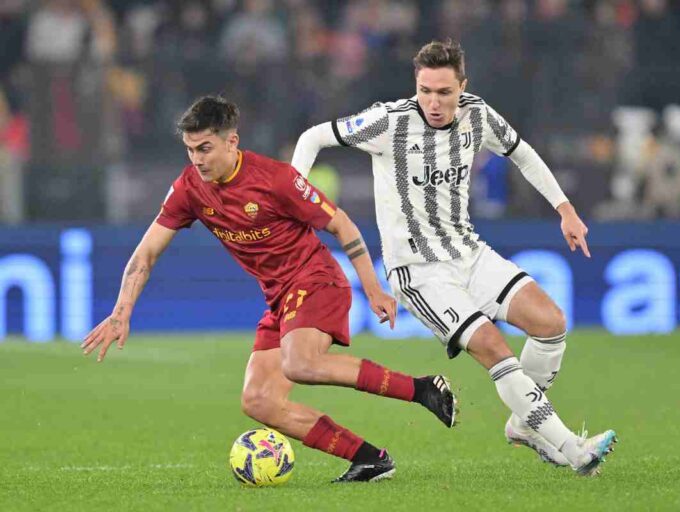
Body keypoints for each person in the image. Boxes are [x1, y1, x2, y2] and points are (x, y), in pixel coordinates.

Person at [81, 96, 457, 483]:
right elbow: (146, 252)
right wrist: (121, 310)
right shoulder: (190, 188)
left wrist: (374, 289)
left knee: (300, 363)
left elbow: (341, 224)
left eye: (205, 148)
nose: (197, 159)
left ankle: (421, 389)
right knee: (259, 400)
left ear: (232, 142)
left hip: (316, 281)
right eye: (191, 150)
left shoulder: (275, 179)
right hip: (279, 298)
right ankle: (370, 459)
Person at [292, 40, 616, 476]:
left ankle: (525, 424)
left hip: (468, 252)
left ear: (462, 87)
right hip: (419, 272)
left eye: (444, 92)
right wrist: (297, 198)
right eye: (426, 90)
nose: (434, 101)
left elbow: (520, 151)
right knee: (493, 347)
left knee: (551, 324)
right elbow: (314, 137)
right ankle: (573, 449)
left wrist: (564, 208)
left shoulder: (477, 114)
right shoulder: (388, 122)